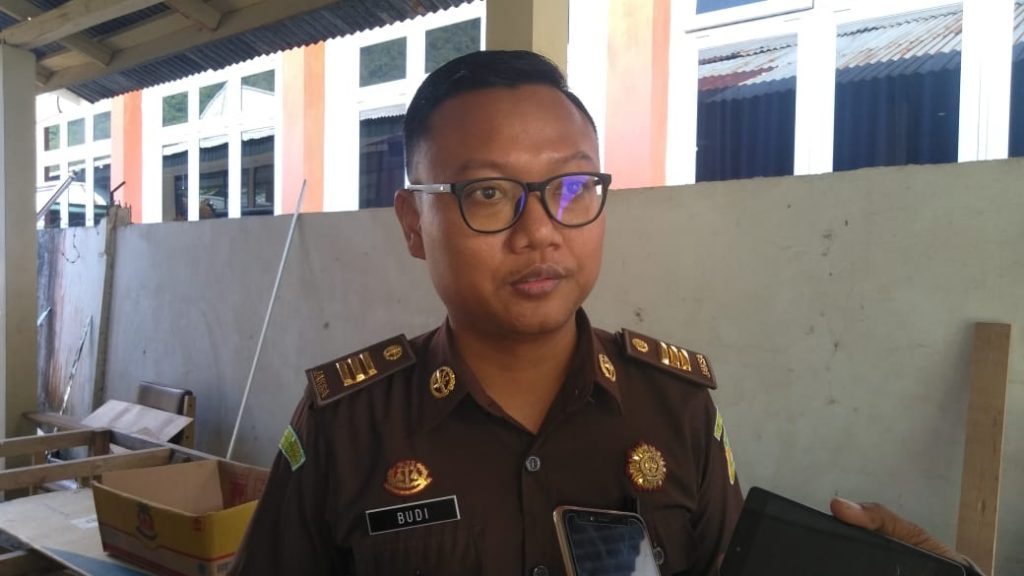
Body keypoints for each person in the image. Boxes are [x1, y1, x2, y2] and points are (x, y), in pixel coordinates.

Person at [229, 50, 977, 575]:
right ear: (412, 223)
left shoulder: (676, 407)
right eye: (487, 193)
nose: (540, 232)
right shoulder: (346, 425)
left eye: (571, 188)